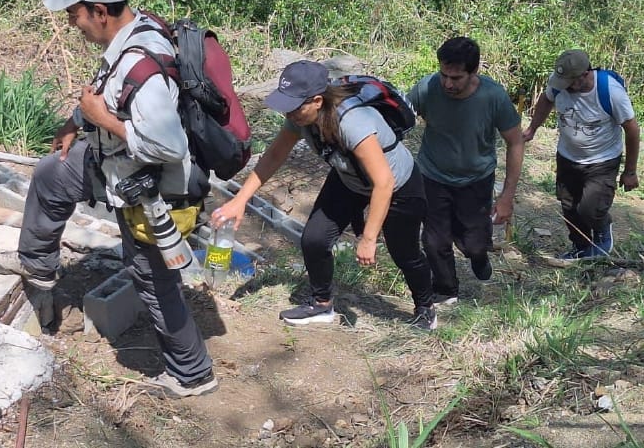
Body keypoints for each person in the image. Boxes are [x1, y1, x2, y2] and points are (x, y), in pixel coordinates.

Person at [0, 0, 217, 398]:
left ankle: (193, 374)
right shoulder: (133, 36)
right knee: (54, 172)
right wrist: (77, 121)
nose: (72, 24)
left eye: (74, 14)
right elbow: (109, 93)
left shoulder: (141, 65)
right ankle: (38, 265)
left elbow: (168, 146)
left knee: (153, 279)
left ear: (100, 11)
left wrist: (101, 119)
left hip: (151, 187)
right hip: (116, 164)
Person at [213, 61, 437, 330]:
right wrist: (239, 201)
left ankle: (425, 308)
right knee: (314, 240)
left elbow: (384, 183)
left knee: (405, 253)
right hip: (349, 178)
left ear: (317, 101)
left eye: (295, 106)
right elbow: (274, 155)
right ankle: (321, 304)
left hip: (398, 186)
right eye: (286, 106)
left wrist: (368, 238)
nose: (289, 113)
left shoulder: (352, 123)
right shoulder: (300, 118)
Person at [407, 37, 524, 304]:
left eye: (456, 78)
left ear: (474, 72)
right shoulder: (427, 87)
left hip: (476, 180)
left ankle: (478, 256)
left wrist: (507, 196)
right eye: (444, 75)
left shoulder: (493, 96)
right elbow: (401, 116)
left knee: (473, 243)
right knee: (434, 241)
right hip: (433, 175)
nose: (448, 83)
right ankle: (446, 288)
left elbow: (516, 142)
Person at [523, 49, 639, 259]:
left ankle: (602, 229)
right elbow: (546, 99)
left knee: (590, 208)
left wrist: (630, 171)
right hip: (567, 157)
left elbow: (632, 129)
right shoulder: (558, 82)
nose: (563, 86)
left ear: (584, 74)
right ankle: (581, 247)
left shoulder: (610, 92)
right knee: (569, 206)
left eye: (569, 81)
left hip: (602, 161)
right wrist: (532, 128)